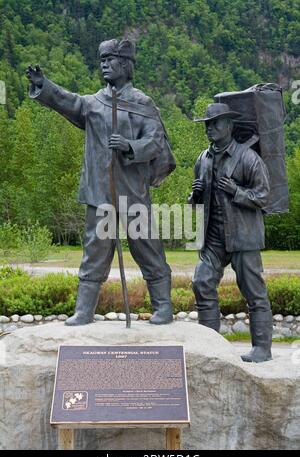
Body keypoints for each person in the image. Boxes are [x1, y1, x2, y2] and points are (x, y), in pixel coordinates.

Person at [26, 39, 176, 326]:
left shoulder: (143, 103)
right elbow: (68, 101)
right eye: (102, 60)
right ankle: (84, 311)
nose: (104, 64)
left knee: (147, 248)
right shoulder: (94, 104)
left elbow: (156, 142)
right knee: (95, 250)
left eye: (111, 59)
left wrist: (130, 146)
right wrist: (45, 85)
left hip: (132, 194)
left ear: (125, 65)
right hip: (100, 193)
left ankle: (163, 307)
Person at [189, 102, 273, 363]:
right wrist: (195, 196)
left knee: (253, 291)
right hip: (213, 237)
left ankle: (262, 349)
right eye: (207, 124)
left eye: (214, 123)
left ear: (229, 126)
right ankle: (210, 346)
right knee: (201, 281)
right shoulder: (202, 159)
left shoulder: (248, 158)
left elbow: (264, 196)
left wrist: (236, 191)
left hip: (242, 236)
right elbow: (196, 203)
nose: (210, 128)